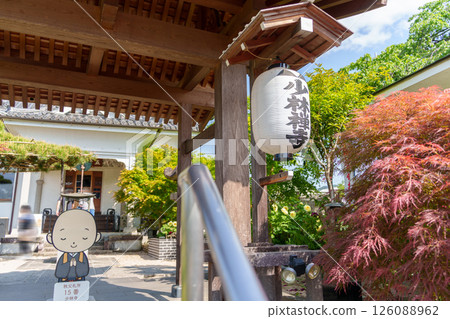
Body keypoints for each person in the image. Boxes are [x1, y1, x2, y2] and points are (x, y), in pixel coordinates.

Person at [47, 209, 101, 282]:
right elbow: (59, 271)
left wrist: (77, 264)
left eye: (84, 237)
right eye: (63, 238)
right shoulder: (64, 257)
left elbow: (84, 270)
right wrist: (68, 264)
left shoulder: (82, 256)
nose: (73, 242)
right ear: (51, 238)